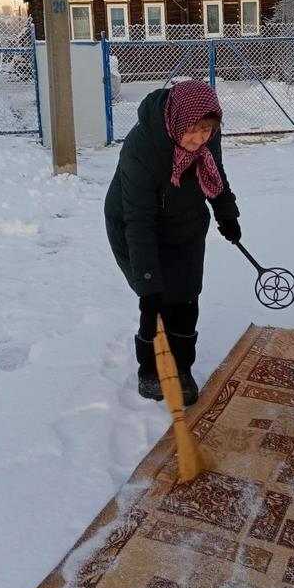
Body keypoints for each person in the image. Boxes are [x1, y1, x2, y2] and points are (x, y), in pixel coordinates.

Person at [104, 80, 241, 404]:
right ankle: (150, 371)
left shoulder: (208, 131)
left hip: (186, 219)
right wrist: (148, 283)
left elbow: (215, 171)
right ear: (177, 120)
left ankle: (181, 368)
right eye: (193, 130)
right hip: (135, 224)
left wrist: (227, 213)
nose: (200, 139)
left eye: (207, 131)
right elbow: (139, 223)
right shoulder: (142, 149)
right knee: (157, 300)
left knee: (186, 295)